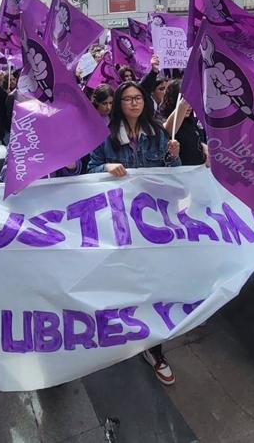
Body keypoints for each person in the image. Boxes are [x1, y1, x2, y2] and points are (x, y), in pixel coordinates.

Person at [88, 81, 180, 386]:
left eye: (138, 98)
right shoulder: (106, 136)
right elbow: (88, 170)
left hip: (153, 223)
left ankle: (155, 349)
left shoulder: (158, 134)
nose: (134, 103)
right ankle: (122, 330)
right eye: (127, 99)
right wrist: (106, 166)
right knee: (124, 281)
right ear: (118, 104)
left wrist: (172, 156)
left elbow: (173, 175)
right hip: (120, 223)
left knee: (152, 284)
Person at [160, 80, 207, 166]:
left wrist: (204, 147)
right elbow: (169, 130)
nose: (189, 106)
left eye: (192, 101)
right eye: (186, 100)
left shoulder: (192, 121)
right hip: (179, 175)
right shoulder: (164, 120)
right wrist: (184, 101)